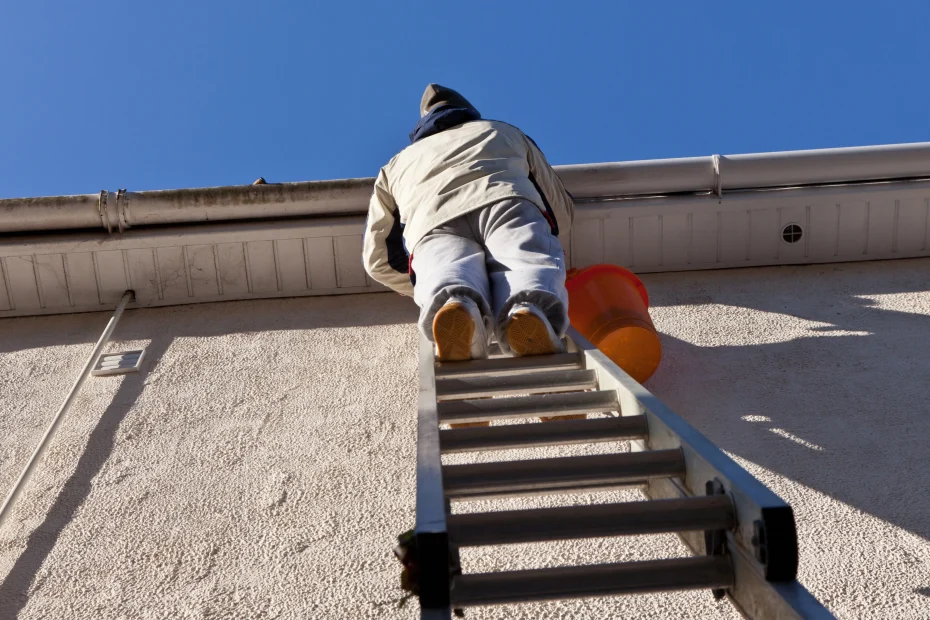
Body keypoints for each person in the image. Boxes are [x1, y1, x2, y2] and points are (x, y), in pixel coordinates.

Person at [363, 84, 574, 365]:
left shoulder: (395, 166)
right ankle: (527, 311)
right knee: (526, 264)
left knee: (446, 273)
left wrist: (418, 281)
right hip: (506, 204)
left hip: (432, 223)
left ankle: (457, 306)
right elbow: (559, 206)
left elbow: (377, 258)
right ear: (469, 113)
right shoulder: (503, 131)